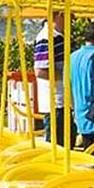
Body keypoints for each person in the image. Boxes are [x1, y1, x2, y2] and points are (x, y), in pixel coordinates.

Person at [33, 12, 74, 146]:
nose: (72, 20)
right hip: (55, 101)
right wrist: (66, 75)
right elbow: (40, 71)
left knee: (68, 141)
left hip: (64, 101)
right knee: (58, 145)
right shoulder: (47, 38)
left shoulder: (59, 37)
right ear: (60, 15)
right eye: (70, 16)